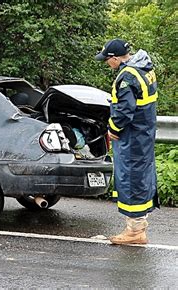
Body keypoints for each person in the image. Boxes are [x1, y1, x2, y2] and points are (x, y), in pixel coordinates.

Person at [95, 39, 158, 245]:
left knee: (131, 180)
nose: (107, 64)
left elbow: (124, 110)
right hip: (144, 134)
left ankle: (135, 232)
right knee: (141, 177)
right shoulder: (144, 69)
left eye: (107, 60)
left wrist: (113, 129)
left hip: (132, 137)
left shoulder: (126, 77)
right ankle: (139, 226)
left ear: (114, 58)